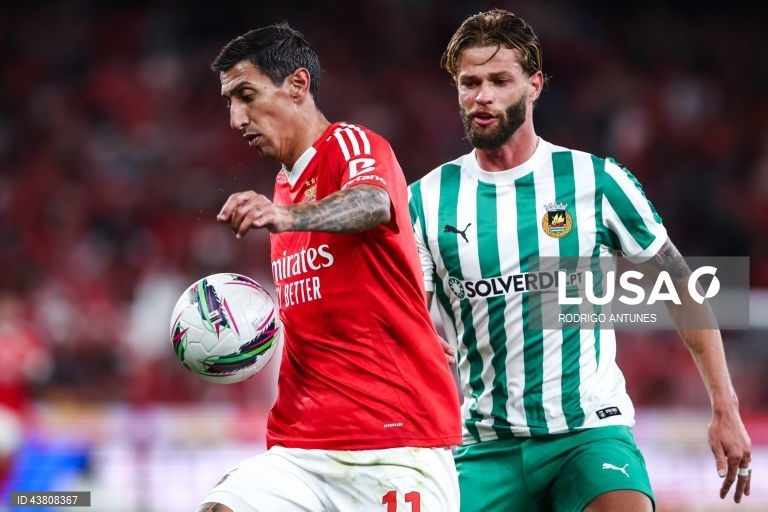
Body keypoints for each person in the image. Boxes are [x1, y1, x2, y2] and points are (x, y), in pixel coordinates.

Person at [408, 9, 752, 512]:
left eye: (500, 80)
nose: (482, 95)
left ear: (534, 85)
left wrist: (726, 406)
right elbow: (407, 311)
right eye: (470, 82)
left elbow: (682, 289)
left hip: (588, 433)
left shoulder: (595, 180)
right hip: (483, 445)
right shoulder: (427, 200)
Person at [201, 23, 461, 512]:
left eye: (246, 95)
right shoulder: (284, 185)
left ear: (298, 85)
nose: (236, 119)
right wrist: (409, 321)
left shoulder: (351, 146)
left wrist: (285, 216)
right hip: (302, 447)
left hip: (394, 444)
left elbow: (374, 203)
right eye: (228, 102)